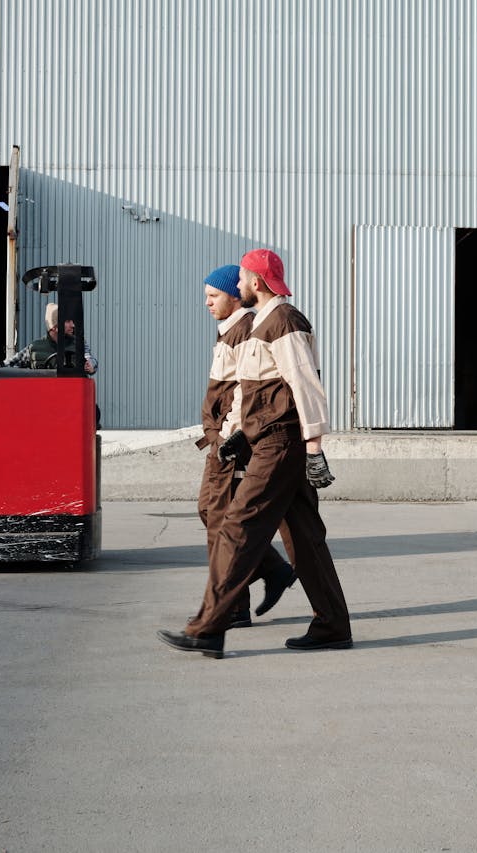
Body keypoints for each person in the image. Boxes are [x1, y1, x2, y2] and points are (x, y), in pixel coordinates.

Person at [158, 249, 350, 659]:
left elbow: (305, 385)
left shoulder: (284, 321)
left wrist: (315, 448)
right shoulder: (261, 324)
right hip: (264, 440)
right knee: (304, 536)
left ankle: (208, 627)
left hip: (281, 443)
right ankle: (332, 624)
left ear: (255, 283)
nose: (238, 285)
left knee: (237, 528)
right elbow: (249, 391)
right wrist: (236, 435)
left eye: (242, 279)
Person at [190, 264, 298, 629]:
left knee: (222, 519)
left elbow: (243, 391)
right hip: (219, 438)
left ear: (235, 296)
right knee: (210, 511)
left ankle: (231, 608)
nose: (207, 303)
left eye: (214, 296)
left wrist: (230, 437)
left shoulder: (244, 330)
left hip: (230, 441)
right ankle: (272, 569)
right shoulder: (228, 331)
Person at [6, 303, 98, 374]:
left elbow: (89, 358)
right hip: (44, 396)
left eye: (72, 321)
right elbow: (9, 365)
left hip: (72, 395)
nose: (73, 325)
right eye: (68, 321)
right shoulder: (34, 348)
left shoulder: (79, 343)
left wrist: (91, 364)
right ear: (54, 327)